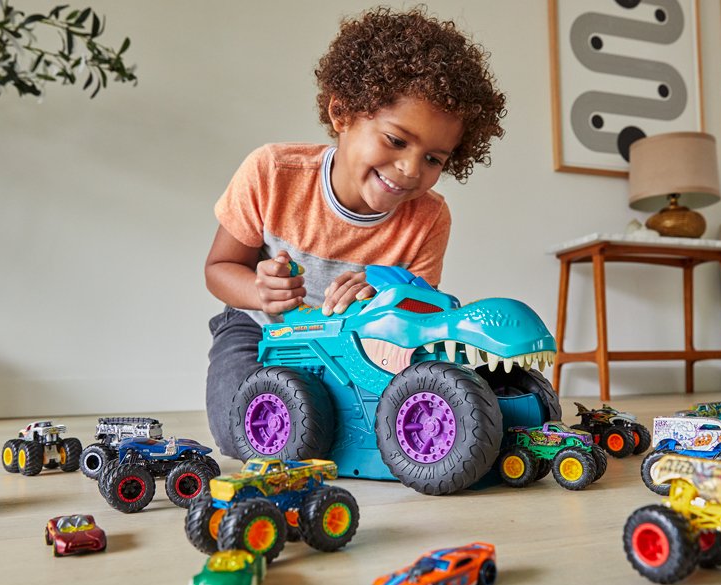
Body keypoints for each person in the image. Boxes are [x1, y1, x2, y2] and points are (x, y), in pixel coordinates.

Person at [203, 6, 507, 457]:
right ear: (342, 113)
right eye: (396, 140)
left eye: (433, 159)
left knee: (414, 419)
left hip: (360, 343)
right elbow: (219, 268)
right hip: (261, 329)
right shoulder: (271, 172)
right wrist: (259, 291)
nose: (410, 169)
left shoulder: (429, 218)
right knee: (242, 430)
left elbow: (422, 314)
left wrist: (383, 288)